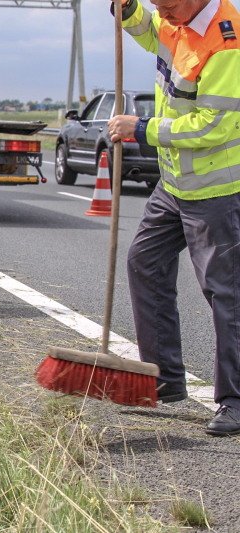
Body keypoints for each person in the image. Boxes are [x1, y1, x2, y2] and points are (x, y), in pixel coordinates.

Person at [108, 0, 240, 436]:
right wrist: (127, 11)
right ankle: (164, 379)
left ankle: (236, 402)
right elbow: (151, 33)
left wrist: (141, 129)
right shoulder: (176, 21)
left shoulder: (227, 42)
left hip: (218, 191)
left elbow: (212, 126)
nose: (162, 10)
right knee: (144, 262)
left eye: (170, 3)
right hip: (174, 184)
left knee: (226, 292)